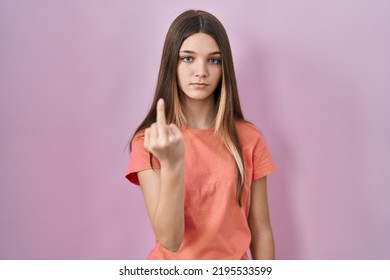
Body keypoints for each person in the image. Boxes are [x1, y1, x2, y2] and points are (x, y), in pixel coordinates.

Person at [126, 9, 276, 260]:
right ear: (171, 63)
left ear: (223, 67)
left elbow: (261, 231)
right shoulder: (150, 141)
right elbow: (170, 240)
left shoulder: (249, 139)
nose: (201, 71)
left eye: (213, 60)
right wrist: (173, 163)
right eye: (188, 58)